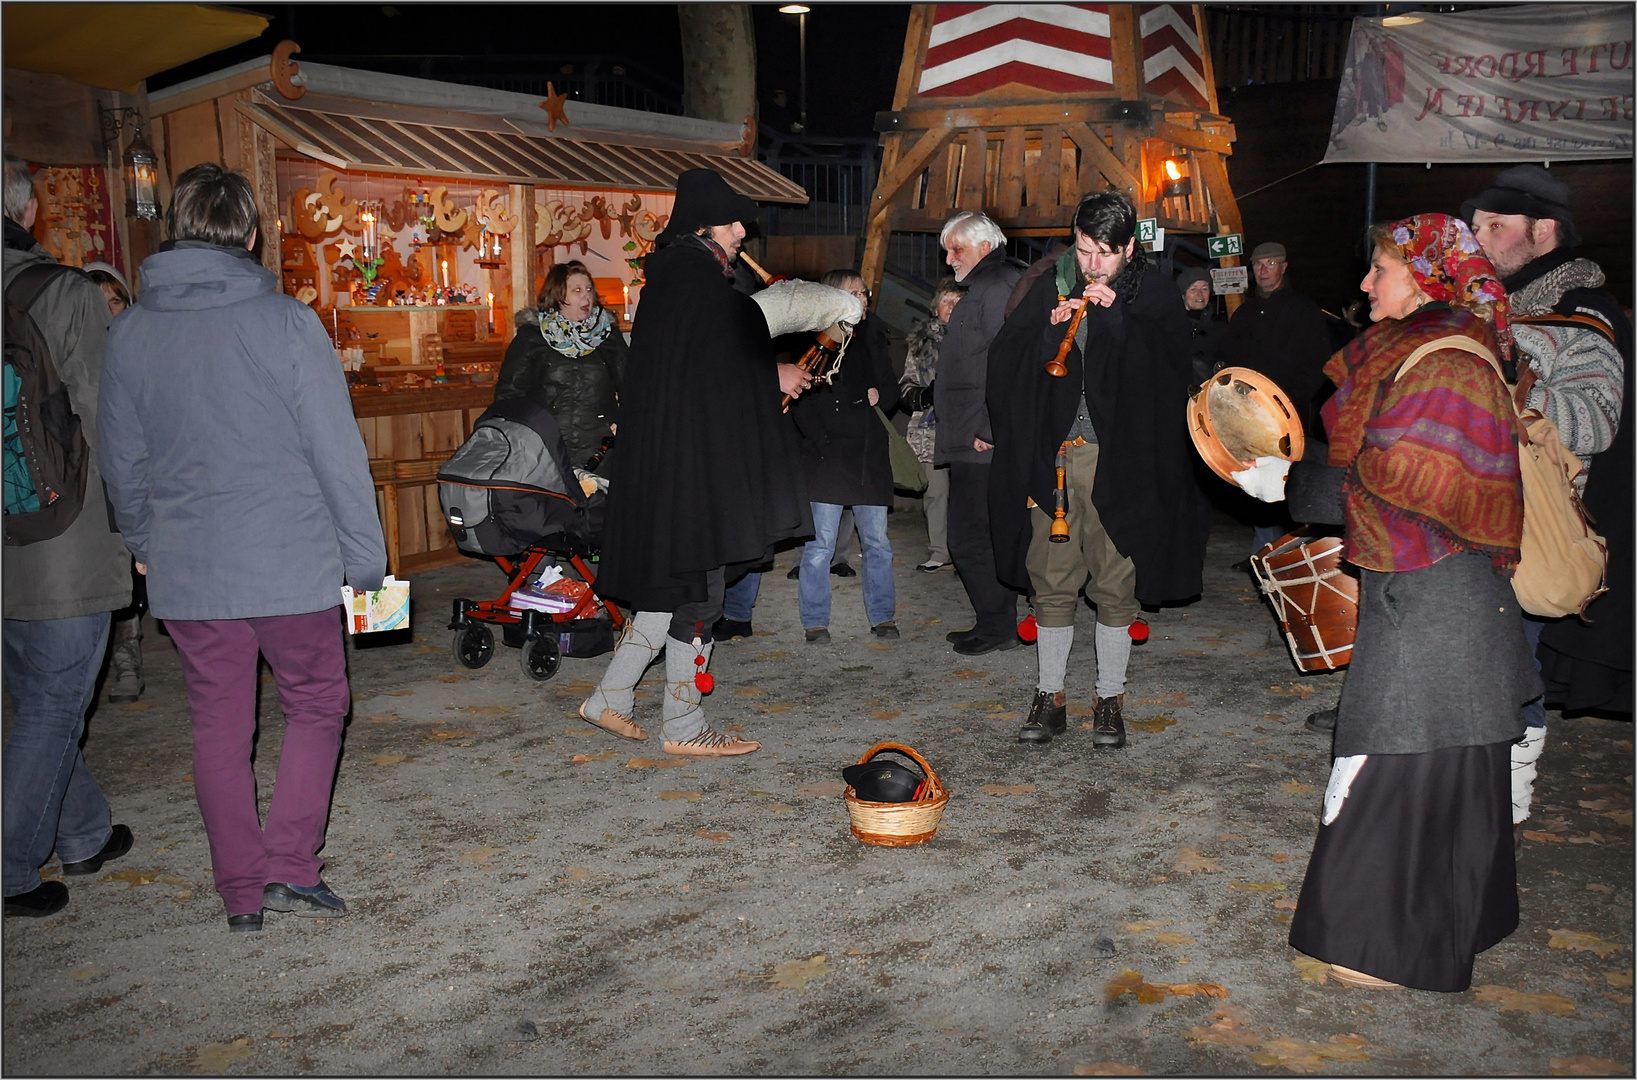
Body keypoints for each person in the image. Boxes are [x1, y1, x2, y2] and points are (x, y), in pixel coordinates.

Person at [1236, 214, 1535, 992]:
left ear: (1427, 277)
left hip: (1440, 608)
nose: (1364, 284)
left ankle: (1388, 946)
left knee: (1396, 759)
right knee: (1431, 765)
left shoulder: (1452, 362)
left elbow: (1405, 482)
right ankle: (1446, 921)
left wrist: (1286, 484)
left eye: (1379, 269)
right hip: (1426, 598)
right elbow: (1380, 464)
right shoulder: (1421, 352)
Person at [98, 163, 388, 932]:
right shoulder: (286, 322)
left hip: (190, 567)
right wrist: (365, 559)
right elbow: (335, 451)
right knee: (317, 702)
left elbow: (120, 458)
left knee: (218, 726)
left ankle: (240, 892)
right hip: (289, 560)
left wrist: (143, 541)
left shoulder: (128, 333)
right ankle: (291, 866)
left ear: (176, 229)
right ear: (252, 234)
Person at [582, 168, 837, 758]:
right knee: (700, 593)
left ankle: (611, 698)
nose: (744, 231)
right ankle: (685, 724)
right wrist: (771, 372)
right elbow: (719, 364)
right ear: (704, 226)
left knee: (668, 589)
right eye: (735, 222)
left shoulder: (676, 279)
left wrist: (762, 369)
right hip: (694, 471)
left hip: (675, 462)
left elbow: (699, 369)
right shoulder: (697, 283)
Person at [987, 190, 1207, 749]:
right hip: (1058, 458)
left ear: (1129, 248)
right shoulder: (1051, 285)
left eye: (1106, 253)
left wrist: (1117, 321)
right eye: (1084, 251)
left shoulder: (1152, 294)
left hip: (1121, 462)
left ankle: (1109, 698)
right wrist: (1047, 332)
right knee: (1051, 578)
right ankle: (1050, 695)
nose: (1092, 265)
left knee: (1115, 580)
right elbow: (1007, 366)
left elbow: (1169, 373)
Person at [1460, 165, 1632, 828]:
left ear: (1543, 230)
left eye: (1494, 227)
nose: (1479, 239)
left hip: (1530, 524)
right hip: (1468, 512)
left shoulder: (1581, 314)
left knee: (1509, 661)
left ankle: (1511, 787)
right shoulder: (1491, 305)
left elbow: (1595, 421)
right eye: (1474, 227)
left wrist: (1515, 383)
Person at [2, 151, 134, 919]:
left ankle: (81, 832)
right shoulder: (62, 292)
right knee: (55, 699)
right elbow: (104, 421)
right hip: (58, 533)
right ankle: (12, 867)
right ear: (28, 213)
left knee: (37, 694)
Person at [791, 270, 901, 643]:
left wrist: (880, 396)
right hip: (827, 455)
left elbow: (890, 389)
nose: (863, 298)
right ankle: (815, 622)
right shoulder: (813, 341)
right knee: (820, 546)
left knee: (878, 544)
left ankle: (883, 616)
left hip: (868, 454)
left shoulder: (873, 336)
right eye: (853, 292)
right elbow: (799, 398)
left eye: (864, 292)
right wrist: (822, 442)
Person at [935, 211, 1026, 655]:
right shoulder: (985, 286)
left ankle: (997, 626)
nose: (949, 259)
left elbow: (1009, 363)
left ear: (985, 247)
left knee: (969, 537)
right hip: (972, 431)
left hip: (981, 436)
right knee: (979, 536)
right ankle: (993, 621)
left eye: (957, 249)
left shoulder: (996, 286)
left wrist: (990, 426)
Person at [1222, 241, 1335, 562]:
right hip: (1247, 416)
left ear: (1284, 267)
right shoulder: (1244, 313)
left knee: (1287, 482)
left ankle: (1286, 555)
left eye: (1271, 264)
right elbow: (1230, 361)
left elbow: (1319, 365)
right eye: (1258, 265)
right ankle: (1264, 551)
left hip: (1288, 416)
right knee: (1254, 480)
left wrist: (1286, 403)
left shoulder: (1304, 310)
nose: (1264, 270)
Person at [81, 261, 147, 705]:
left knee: (130, 568)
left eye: (116, 301)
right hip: (88, 482)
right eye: (98, 305)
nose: (110, 312)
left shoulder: (144, 351)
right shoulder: (77, 359)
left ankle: (127, 653)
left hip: (137, 478)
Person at [495, 259, 626, 476]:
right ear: (557, 295)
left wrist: (623, 421)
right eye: (577, 290)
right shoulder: (532, 338)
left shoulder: (608, 337)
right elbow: (509, 395)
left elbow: (632, 385)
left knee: (597, 508)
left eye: (589, 289)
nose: (586, 296)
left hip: (600, 450)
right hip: (546, 449)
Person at [899, 277, 964, 573]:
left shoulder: (975, 336)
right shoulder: (920, 343)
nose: (951, 306)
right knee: (936, 493)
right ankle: (940, 551)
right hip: (931, 429)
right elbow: (906, 384)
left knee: (969, 494)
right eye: (946, 301)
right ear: (935, 307)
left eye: (957, 301)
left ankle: (968, 553)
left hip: (968, 428)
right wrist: (922, 395)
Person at [1176, 266, 1226, 385]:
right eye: (1193, 289)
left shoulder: (1219, 326)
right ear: (1183, 294)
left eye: (1204, 289)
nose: (1200, 294)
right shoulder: (1171, 325)